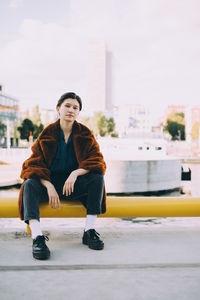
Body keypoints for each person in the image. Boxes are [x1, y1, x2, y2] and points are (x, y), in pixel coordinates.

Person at [18, 92, 107, 260]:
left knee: (97, 178)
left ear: (79, 112)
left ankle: (89, 231)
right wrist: (48, 184)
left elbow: (97, 161)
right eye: (67, 106)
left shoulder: (85, 134)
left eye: (76, 107)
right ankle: (37, 238)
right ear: (58, 108)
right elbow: (32, 164)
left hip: (72, 186)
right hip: (50, 186)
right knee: (29, 183)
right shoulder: (48, 133)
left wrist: (76, 173)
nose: (71, 110)